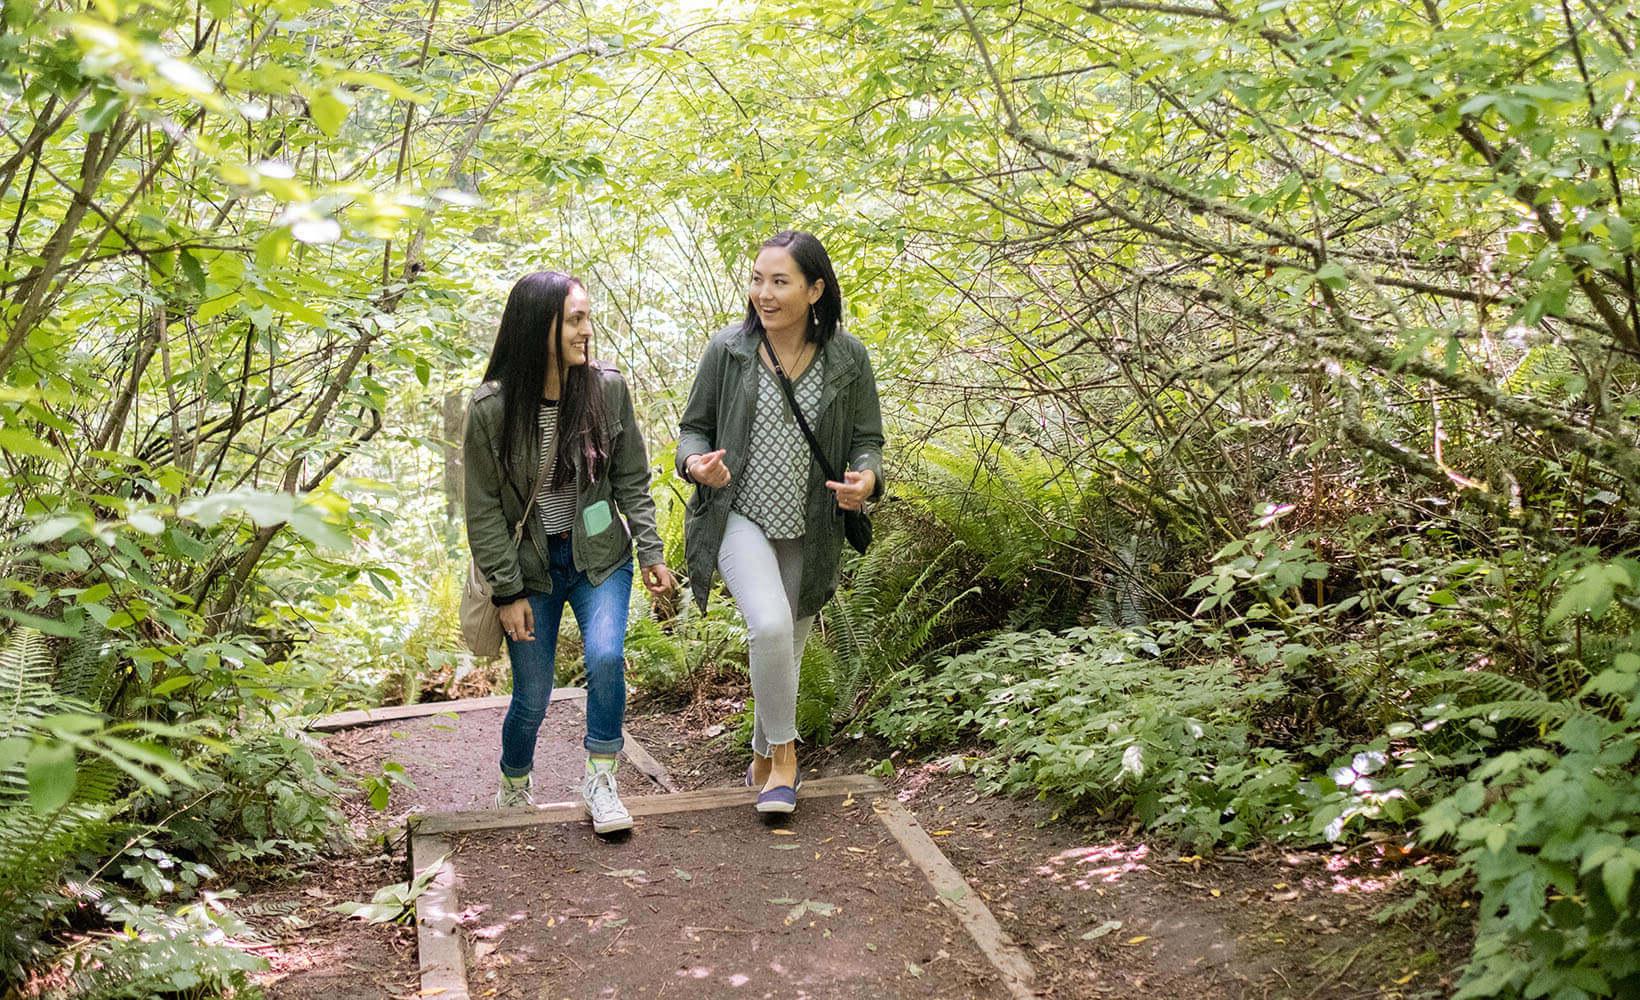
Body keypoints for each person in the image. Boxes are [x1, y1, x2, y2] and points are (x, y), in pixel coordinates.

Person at [676, 230, 885, 814]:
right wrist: (697, 463)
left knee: (787, 648)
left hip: (812, 523)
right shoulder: (728, 351)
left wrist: (864, 480)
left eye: (779, 281)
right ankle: (787, 758)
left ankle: (761, 757)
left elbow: (868, 441)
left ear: (815, 289)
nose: (763, 294)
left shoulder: (848, 357)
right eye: (756, 279)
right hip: (737, 513)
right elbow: (693, 429)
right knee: (768, 626)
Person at [464, 270, 675, 834]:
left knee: (606, 659)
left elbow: (631, 479)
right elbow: (482, 510)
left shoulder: (606, 389)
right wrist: (507, 591)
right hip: (529, 570)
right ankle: (514, 783)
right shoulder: (490, 411)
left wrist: (651, 551)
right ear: (540, 328)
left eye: (587, 316)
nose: (588, 329)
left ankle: (602, 780)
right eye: (576, 319)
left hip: (600, 558)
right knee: (531, 695)